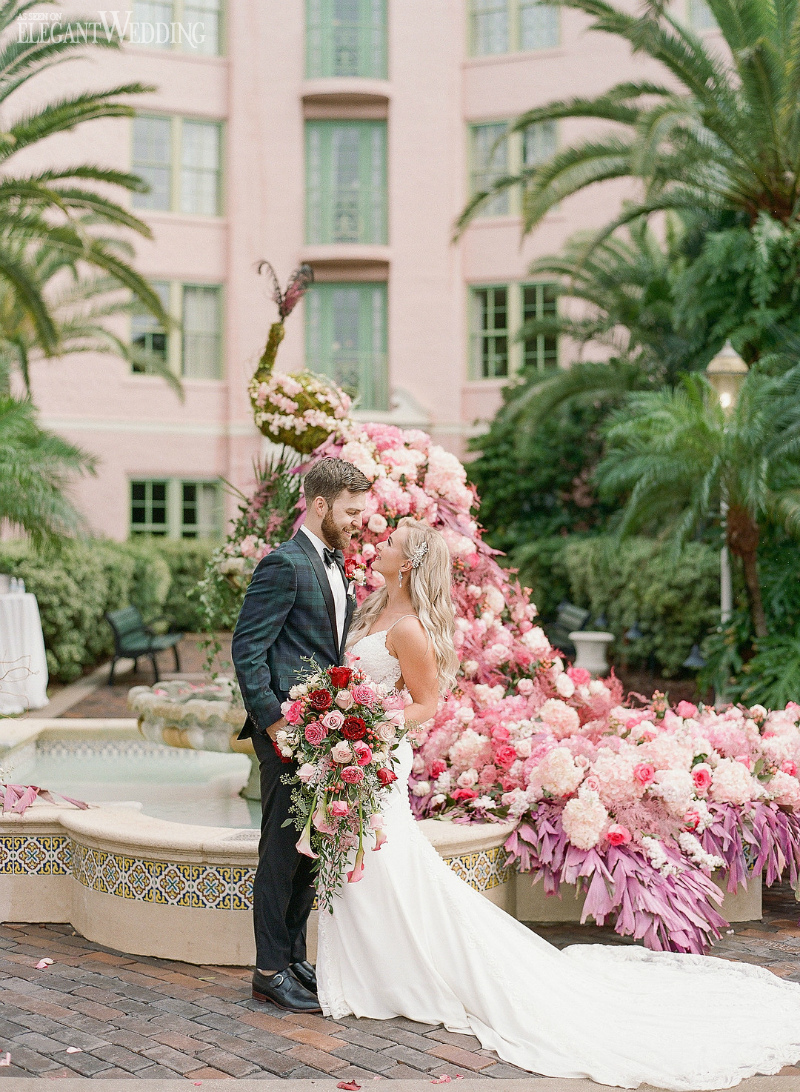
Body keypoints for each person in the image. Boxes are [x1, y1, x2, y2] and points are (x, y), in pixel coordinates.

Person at [318, 516, 800, 1090]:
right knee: (370, 861)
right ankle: (382, 971)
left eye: (392, 544)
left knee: (386, 858)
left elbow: (427, 703)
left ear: (412, 562)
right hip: (359, 748)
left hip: (377, 749)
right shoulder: (373, 609)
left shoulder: (411, 631)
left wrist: (366, 721)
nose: (381, 547)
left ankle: (403, 974)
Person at [231, 457, 371, 1014]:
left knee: (311, 849)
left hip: (324, 732)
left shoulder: (337, 565)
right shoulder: (283, 565)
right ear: (320, 505)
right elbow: (248, 648)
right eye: (351, 511)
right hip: (288, 733)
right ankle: (269, 968)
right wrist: (275, 723)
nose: (359, 521)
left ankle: (292, 957)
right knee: (282, 849)